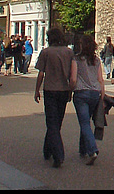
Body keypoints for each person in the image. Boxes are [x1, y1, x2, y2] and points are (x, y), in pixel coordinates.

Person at [34, 28, 74, 168]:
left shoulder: (46, 52)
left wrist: (36, 90)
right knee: (57, 122)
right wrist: (71, 89)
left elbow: (41, 73)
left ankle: (58, 154)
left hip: (50, 89)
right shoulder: (69, 52)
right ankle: (47, 149)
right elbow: (72, 74)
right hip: (64, 89)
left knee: (51, 122)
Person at [70, 34, 105, 165]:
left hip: (81, 93)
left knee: (84, 122)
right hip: (95, 93)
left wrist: (70, 89)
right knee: (86, 121)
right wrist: (102, 95)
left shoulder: (76, 59)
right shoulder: (96, 60)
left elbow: (73, 79)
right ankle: (83, 149)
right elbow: (100, 79)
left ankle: (92, 149)